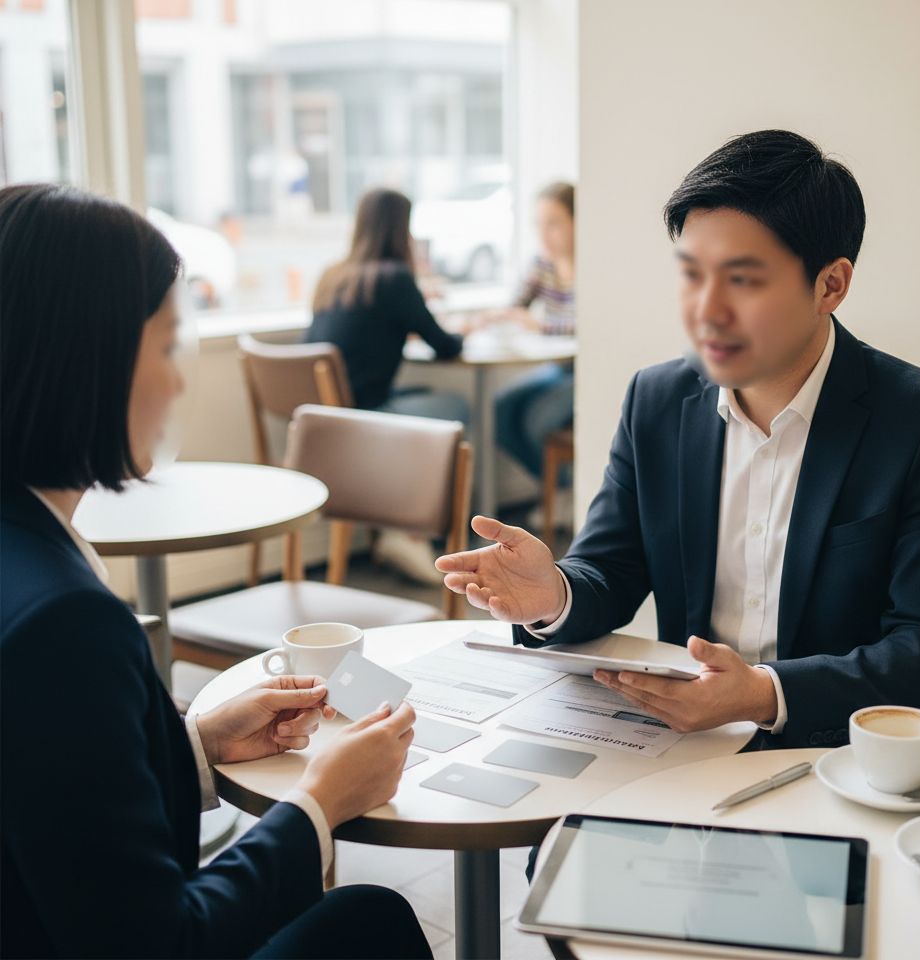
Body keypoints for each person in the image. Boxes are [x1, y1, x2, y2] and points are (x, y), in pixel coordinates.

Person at [437, 131, 920, 755]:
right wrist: (554, 596)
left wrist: (764, 694)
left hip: (853, 758)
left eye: (743, 280)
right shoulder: (657, 400)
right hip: (691, 747)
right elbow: (610, 569)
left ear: (830, 285)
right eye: (692, 275)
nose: (707, 312)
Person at [0, 184, 432, 960]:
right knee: (370, 921)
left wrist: (197, 743)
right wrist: (319, 802)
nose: (179, 380)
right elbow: (159, 942)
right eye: (167, 345)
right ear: (90, 358)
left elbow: (53, 798)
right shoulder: (64, 624)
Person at [307, 187, 469, 584]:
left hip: (323, 419)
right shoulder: (396, 278)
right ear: (401, 229)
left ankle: (400, 530)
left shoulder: (333, 275)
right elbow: (445, 345)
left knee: (425, 403)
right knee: (457, 408)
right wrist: (464, 328)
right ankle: (408, 532)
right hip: (364, 417)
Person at [492, 182, 576, 524]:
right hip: (557, 368)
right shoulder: (543, 264)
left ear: (577, 222)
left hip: (585, 370)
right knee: (500, 409)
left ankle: (567, 494)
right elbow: (517, 306)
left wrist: (541, 326)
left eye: (553, 223)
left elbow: (590, 325)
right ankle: (563, 491)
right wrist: (485, 319)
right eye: (538, 224)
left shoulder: (593, 265)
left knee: (537, 421)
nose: (544, 234)